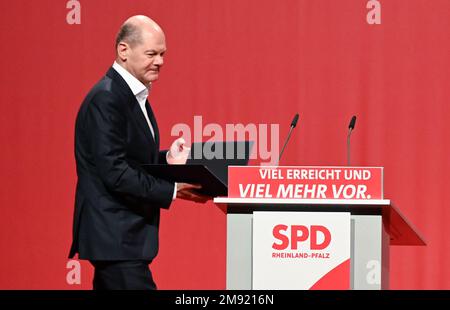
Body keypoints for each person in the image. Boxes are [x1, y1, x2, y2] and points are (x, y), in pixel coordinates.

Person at [69, 15, 209, 290]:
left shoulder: (130, 96)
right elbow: (115, 171)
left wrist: (166, 159)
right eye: (152, 53)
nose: (160, 61)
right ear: (124, 51)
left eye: (163, 54)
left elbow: (132, 160)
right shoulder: (107, 99)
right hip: (115, 239)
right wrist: (171, 189)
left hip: (123, 240)